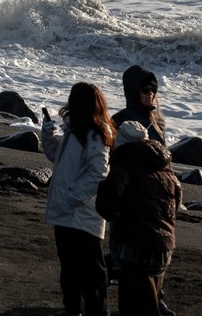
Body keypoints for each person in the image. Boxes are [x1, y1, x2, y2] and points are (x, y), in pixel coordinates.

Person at [43, 81, 115, 316]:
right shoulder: (74, 129)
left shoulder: (94, 133)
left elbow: (99, 172)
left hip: (81, 213)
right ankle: (73, 309)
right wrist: (47, 133)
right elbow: (56, 155)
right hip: (66, 209)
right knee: (70, 268)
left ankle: (94, 311)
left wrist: (74, 197)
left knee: (90, 270)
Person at [97, 120, 180, 316]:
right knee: (149, 299)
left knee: (131, 303)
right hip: (164, 247)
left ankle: (95, 307)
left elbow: (107, 199)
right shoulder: (165, 167)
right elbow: (176, 203)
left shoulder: (124, 163)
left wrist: (116, 215)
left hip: (134, 246)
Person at [111, 65, 166, 144]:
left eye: (153, 89)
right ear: (134, 92)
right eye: (145, 89)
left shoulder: (158, 118)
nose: (150, 93)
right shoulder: (119, 120)